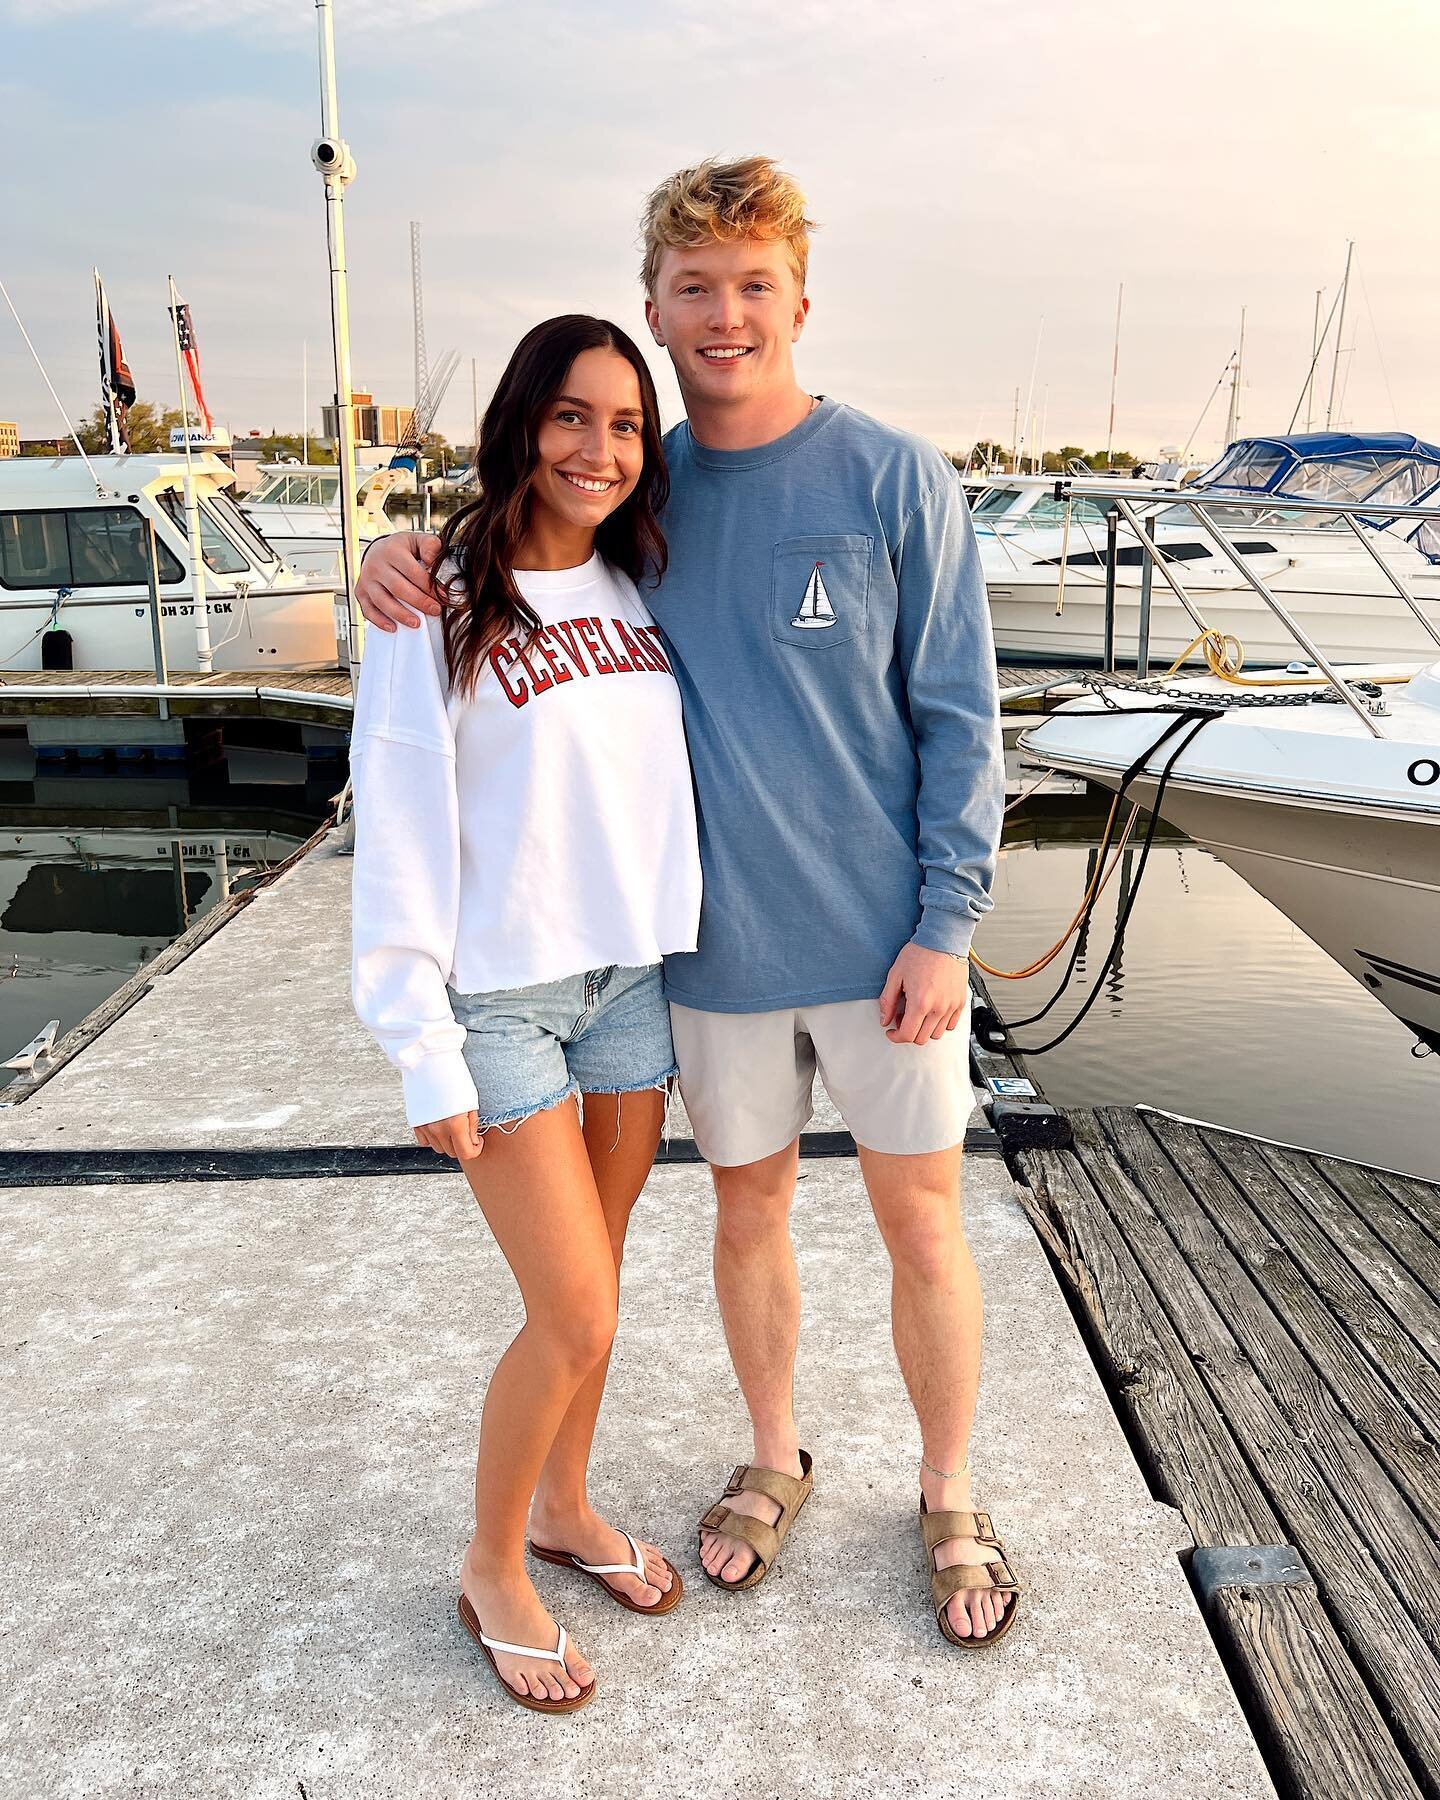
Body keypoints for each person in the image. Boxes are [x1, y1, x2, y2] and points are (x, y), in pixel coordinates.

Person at [356, 158, 1017, 1647]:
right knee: (747, 1218)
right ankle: (773, 1455)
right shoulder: (643, 500)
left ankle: (951, 1488)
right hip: (703, 958)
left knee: (924, 1224)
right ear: (656, 306)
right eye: (695, 288)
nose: (725, 315)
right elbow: (503, 575)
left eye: (754, 285)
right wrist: (393, 560)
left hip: (884, 946)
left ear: (799, 297)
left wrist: (948, 920)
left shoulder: (895, 475)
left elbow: (962, 718)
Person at [349, 315, 701, 1715]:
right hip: (499, 1000)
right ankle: (495, 1564)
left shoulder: (642, 581)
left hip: (631, 986)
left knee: (599, 1301)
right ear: (519, 423)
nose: (598, 450)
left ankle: (564, 1506)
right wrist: (414, 1038)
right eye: (570, 418)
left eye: (624, 425)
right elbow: (398, 826)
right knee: (569, 1308)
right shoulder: (430, 600)